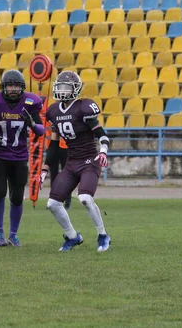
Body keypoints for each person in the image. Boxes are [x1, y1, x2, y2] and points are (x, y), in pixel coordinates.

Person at [40, 70, 111, 252]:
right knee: (52, 204)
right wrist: (45, 169)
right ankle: (72, 236)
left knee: (85, 198)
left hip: (90, 160)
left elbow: (101, 135)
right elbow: (54, 146)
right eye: (60, 87)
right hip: (72, 162)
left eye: (67, 87)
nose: (62, 91)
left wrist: (103, 151)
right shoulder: (54, 111)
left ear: (75, 89)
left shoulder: (83, 107)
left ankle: (103, 235)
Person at [0, 70, 45, 247]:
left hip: (19, 155)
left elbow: (41, 131)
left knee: (16, 197)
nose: (13, 89)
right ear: (3, 87)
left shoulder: (30, 103)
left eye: (16, 86)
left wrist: (31, 123)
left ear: (22, 87)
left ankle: (13, 234)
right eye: (10, 85)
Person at [48, 137, 69, 208]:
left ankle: (68, 202)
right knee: (53, 176)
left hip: (66, 146)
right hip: (52, 145)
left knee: (67, 175)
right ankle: (53, 200)